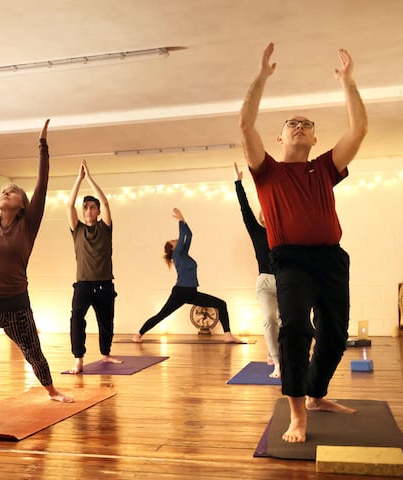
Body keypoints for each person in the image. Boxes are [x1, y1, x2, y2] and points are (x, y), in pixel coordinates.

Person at [239, 43, 368, 443]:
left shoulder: (325, 167)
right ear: (279, 137)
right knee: (294, 327)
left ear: (315, 138)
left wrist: (348, 83)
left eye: (306, 124)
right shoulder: (267, 172)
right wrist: (261, 78)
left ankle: (315, 395)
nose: (299, 126)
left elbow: (359, 130)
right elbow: (245, 126)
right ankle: (297, 413)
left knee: (335, 332)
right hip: (290, 260)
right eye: (292, 123)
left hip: (331, 259)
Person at [0, 120, 72, 426]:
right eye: (4, 191)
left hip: (16, 305)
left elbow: (42, 184)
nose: (6, 193)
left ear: (21, 205)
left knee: (34, 352)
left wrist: (42, 144)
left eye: (12, 192)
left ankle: (51, 389)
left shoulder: (28, 224)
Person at [133, 208, 243, 344]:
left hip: (192, 292)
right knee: (162, 315)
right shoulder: (176, 255)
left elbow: (189, 235)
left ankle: (228, 335)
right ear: (173, 248)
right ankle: (139, 333)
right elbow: (183, 234)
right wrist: (180, 220)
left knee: (221, 304)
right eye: (174, 241)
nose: (177, 240)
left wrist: (183, 220)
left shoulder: (184, 253)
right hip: (180, 292)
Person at [66, 160, 121, 374]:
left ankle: (106, 353)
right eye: (86, 208)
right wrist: (78, 180)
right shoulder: (77, 229)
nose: (88, 210)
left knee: (106, 321)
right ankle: (78, 359)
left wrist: (89, 178)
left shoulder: (105, 229)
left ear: (97, 212)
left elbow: (107, 203)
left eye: (92, 207)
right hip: (83, 285)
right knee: (76, 318)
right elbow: (69, 205)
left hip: (105, 284)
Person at [233, 163, 281, 378]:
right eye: (265, 215)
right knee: (269, 318)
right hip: (264, 283)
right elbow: (245, 211)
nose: (266, 218)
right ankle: (276, 361)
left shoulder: (284, 234)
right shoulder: (257, 232)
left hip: (285, 281)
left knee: (286, 321)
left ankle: (282, 355)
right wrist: (238, 184)